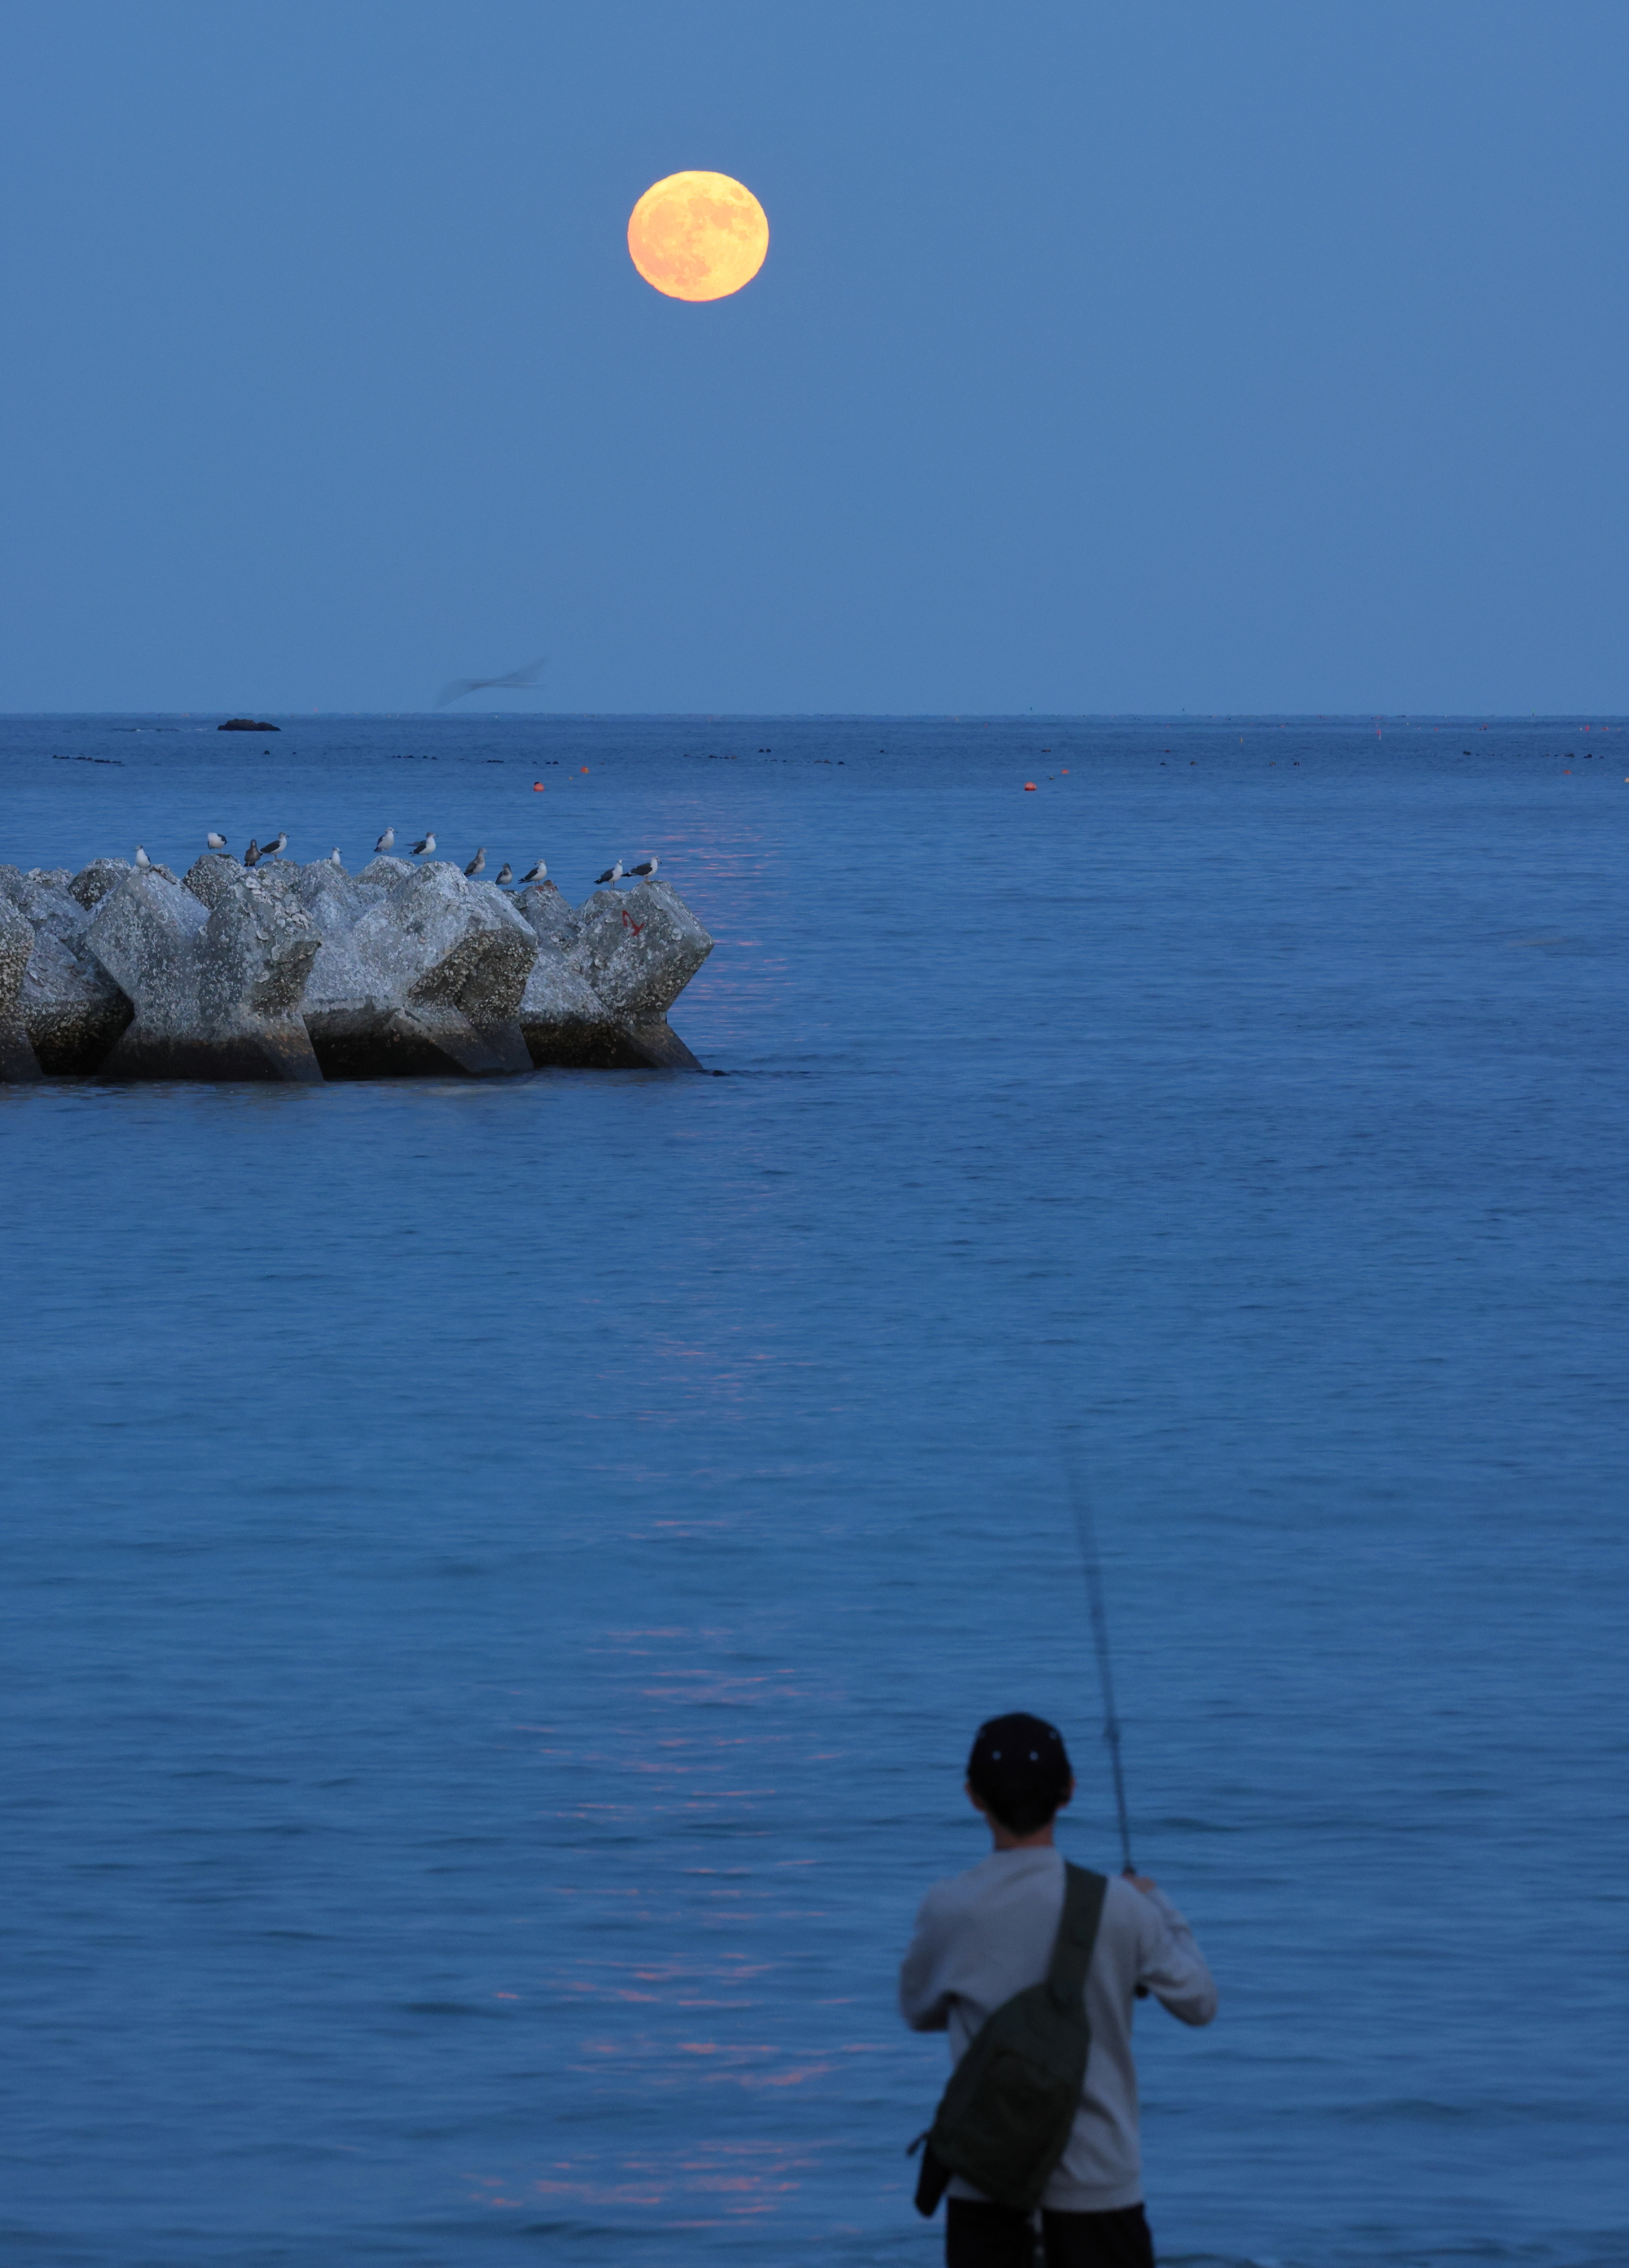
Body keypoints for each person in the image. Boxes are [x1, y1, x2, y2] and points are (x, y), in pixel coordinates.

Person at [899, 1713, 1217, 2268]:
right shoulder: (1122, 1908)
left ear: (974, 1797)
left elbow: (919, 2009)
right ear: (1068, 1791)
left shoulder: (947, 1905)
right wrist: (1155, 1901)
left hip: (984, 2189)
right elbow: (1200, 2002)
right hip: (1101, 2193)